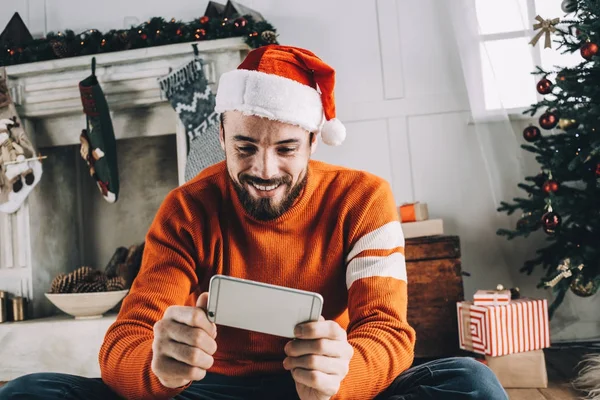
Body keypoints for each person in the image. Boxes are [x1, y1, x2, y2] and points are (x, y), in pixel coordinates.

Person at [0, 45, 508, 400]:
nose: (263, 170)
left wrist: (343, 377)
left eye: (286, 148)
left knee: (471, 384)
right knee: (27, 392)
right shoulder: (187, 209)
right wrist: (157, 366)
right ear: (221, 136)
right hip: (207, 391)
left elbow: (387, 332)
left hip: (324, 389)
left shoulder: (364, 198)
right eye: (245, 147)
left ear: (313, 141)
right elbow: (124, 342)